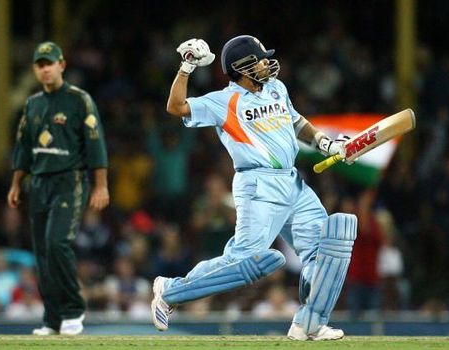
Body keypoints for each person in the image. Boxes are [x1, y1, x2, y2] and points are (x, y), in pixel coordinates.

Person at [151, 35, 357, 341]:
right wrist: (187, 67)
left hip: (292, 180)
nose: (267, 62)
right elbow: (176, 106)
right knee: (245, 259)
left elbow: (297, 122)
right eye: (261, 58)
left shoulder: (277, 88)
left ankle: (310, 322)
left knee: (324, 250)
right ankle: (171, 290)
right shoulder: (224, 101)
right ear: (243, 66)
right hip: (258, 184)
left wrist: (326, 143)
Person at [7, 41, 109, 336]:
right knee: (41, 252)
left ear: (62, 65)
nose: (45, 69)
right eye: (40, 64)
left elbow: (95, 144)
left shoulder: (79, 100)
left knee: (56, 244)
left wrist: (100, 185)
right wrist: (15, 184)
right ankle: (52, 319)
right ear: (35, 69)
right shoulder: (33, 104)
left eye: (49, 63)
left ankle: (73, 310)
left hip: (69, 180)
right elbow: (23, 148)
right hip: (38, 183)